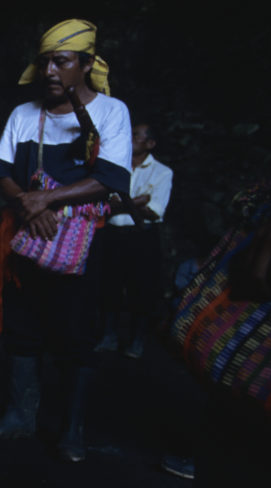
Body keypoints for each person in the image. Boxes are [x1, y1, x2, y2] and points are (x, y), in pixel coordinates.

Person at [0, 19, 132, 463]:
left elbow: (111, 179)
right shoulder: (24, 115)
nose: (49, 70)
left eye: (60, 61)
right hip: (28, 236)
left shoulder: (110, 111)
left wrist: (46, 200)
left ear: (85, 65)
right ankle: (19, 417)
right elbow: (1, 174)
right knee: (23, 328)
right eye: (44, 61)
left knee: (76, 332)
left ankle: (71, 429)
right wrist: (33, 205)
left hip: (81, 242)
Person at [95, 123, 173, 358]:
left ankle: (136, 340)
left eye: (136, 136)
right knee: (109, 287)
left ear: (150, 144)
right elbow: (100, 206)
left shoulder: (162, 172)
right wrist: (137, 202)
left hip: (142, 237)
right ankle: (108, 336)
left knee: (142, 290)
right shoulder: (114, 167)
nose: (130, 139)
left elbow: (155, 211)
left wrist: (116, 205)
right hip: (111, 235)